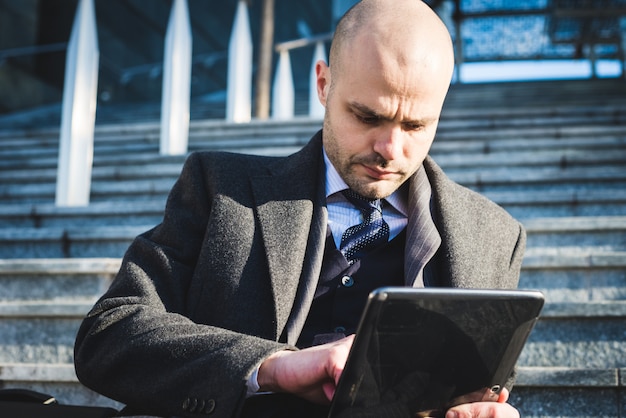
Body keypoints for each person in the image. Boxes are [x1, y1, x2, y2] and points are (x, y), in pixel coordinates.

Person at [74, 1, 526, 417]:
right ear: (324, 84)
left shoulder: (493, 237)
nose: (390, 148)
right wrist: (269, 366)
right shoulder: (218, 189)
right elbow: (109, 333)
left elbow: (484, 390)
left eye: (415, 125)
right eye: (367, 117)